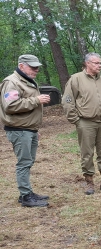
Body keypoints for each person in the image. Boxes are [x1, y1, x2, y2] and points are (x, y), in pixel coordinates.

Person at [62, 53, 101, 195]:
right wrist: (76, 120)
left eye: (100, 63)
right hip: (85, 122)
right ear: (87, 63)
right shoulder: (76, 79)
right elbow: (68, 101)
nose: (99, 65)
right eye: (95, 63)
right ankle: (89, 182)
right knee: (87, 153)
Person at [0, 54, 51, 207]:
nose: (36, 70)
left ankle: (27, 193)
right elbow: (10, 106)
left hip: (28, 129)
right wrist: (36, 100)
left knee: (28, 161)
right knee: (24, 163)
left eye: (37, 67)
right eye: (32, 67)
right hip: (19, 129)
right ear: (21, 66)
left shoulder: (28, 81)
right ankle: (25, 196)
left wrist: (34, 129)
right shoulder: (11, 82)